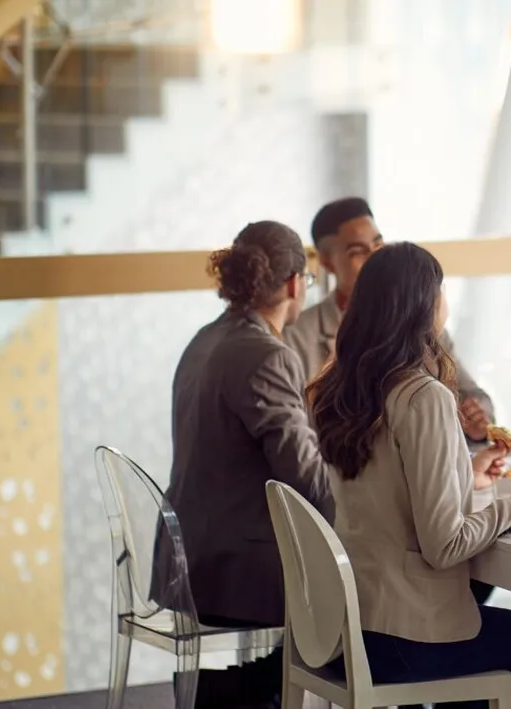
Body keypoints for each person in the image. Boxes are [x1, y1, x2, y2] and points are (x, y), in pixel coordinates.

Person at [307, 242, 511, 709]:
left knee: (487, 625)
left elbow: (386, 491)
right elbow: (445, 545)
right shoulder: (422, 397)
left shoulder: (339, 389)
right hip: (404, 637)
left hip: (348, 625)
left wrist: (465, 474)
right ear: (424, 304)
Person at [159, 221, 333, 709]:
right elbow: (306, 481)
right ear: (296, 283)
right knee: (370, 587)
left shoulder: (206, 339)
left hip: (191, 553)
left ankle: (242, 691)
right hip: (240, 567)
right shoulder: (265, 354)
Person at [284, 197, 495, 442]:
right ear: (326, 262)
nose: (375, 257)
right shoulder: (298, 337)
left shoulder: (423, 320)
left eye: (378, 244)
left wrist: (478, 420)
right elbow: (297, 429)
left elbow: (473, 394)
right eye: (357, 251)